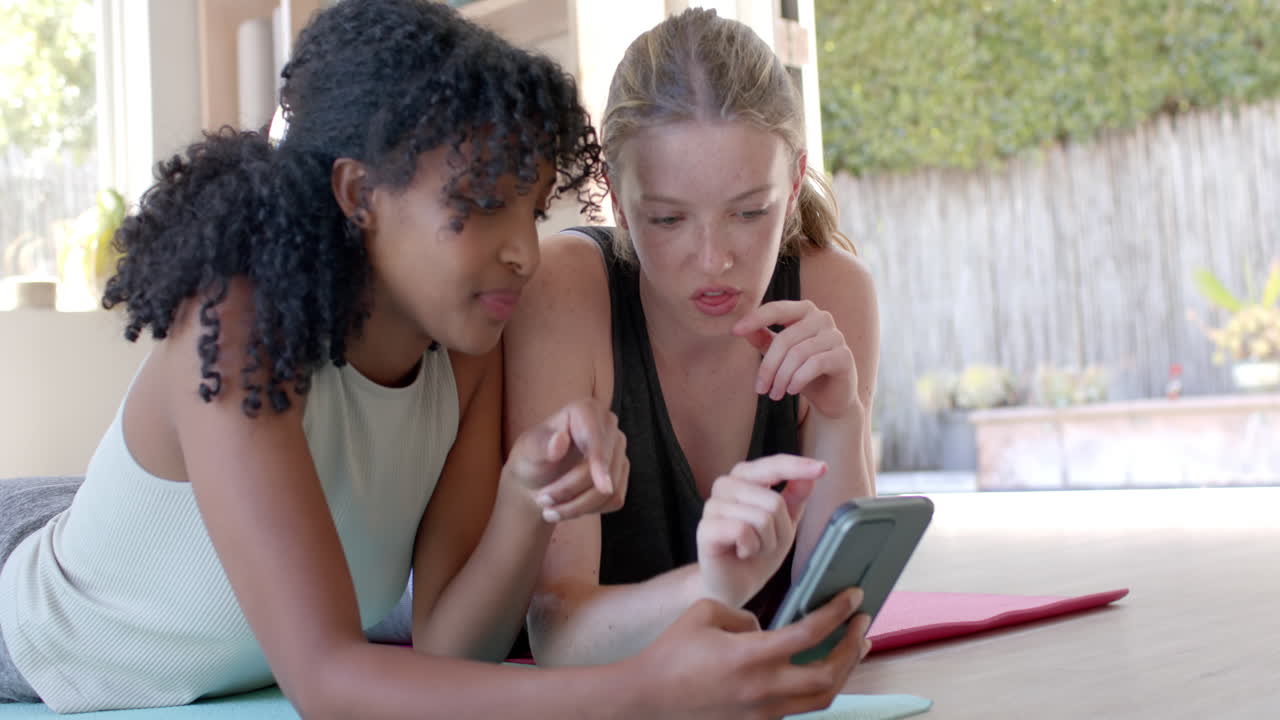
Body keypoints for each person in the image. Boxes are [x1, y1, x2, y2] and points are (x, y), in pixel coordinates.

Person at [0, 2, 866, 717]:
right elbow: (329, 683)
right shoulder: (235, 324)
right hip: (39, 612)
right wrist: (639, 690)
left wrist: (528, 504)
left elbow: (452, 643)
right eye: (481, 206)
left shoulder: (468, 346)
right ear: (358, 195)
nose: (525, 253)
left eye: (530, 210)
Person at [505, 7, 880, 667]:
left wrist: (839, 419)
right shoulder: (565, 291)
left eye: (749, 212)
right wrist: (712, 586)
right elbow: (556, 634)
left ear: (792, 185)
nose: (714, 260)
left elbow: (829, 622)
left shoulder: (834, 290)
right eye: (669, 219)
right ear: (618, 201)